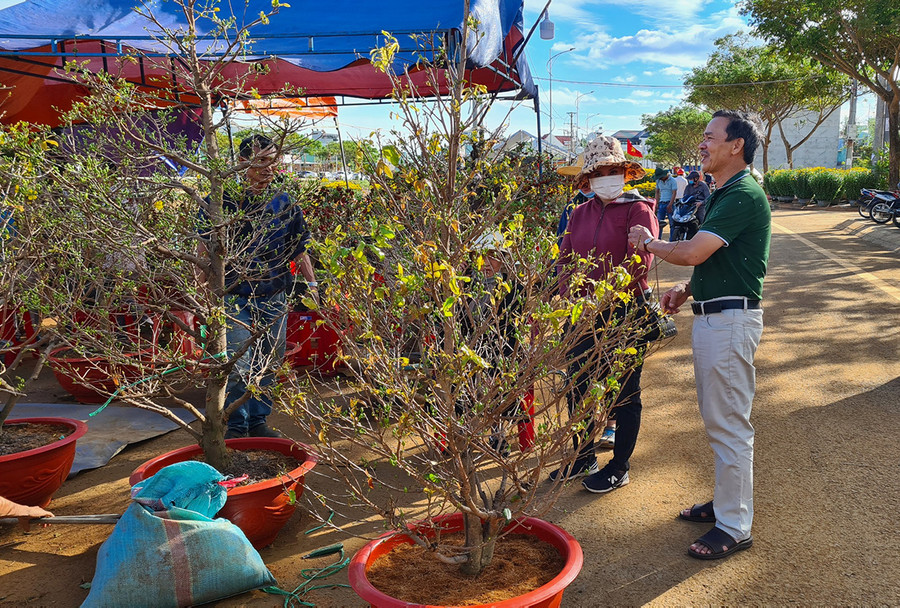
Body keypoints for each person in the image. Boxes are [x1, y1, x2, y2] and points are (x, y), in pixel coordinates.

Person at [627, 110, 771, 560]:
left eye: (711, 137)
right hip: (717, 317)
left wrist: (648, 243)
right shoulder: (725, 192)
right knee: (719, 420)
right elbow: (717, 261)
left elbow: (691, 251)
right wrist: (688, 291)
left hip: (729, 323)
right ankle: (726, 504)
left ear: (736, 146)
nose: (703, 144)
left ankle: (734, 524)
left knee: (729, 425)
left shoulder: (742, 193)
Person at [551, 135, 659, 494]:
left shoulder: (638, 209)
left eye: (614, 170)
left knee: (625, 391)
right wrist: (566, 296)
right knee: (577, 384)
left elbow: (641, 262)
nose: (607, 177)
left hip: (625, 311)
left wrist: (605, 295)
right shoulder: (579, 213)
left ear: (625, 174)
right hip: (582, 314)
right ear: (588, 179)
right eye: (600, 172)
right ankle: (582, 456)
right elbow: (565, 260)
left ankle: (619, 466)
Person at [200, 135, 316, 439]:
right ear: (242, 163)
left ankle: (258, 421)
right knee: (238, 362)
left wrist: (312, 284)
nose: (269, 168)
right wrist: (201, 293)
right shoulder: (221, 200)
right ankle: (236, 425)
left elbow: (299, 248)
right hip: (234, 296)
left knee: (269, 360)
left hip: (275, 293)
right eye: (261, 161)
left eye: (273, 161)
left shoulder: (284, 200)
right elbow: (204, 250)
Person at [653, 168, 676, 240]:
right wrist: (656, 203)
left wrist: (670, 204)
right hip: (661, 203)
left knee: (672, 224)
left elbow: (674, 193)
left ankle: (672, 240)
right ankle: (658, 238)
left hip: (670, 202)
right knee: (659, 223)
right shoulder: (658, 181)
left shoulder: (672, 180)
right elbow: (657, 192)